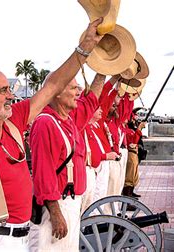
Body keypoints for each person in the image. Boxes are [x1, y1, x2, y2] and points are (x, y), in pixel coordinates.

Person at [0, 18, 104, 252]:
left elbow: (53, 85)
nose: (10, 95)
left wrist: (85, 48)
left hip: (18, 238)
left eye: (9, 89)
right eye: (3, 91)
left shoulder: (13, 122)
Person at [29, 72, 107, 250]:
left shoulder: (69, 119)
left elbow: (91, 100)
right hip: (57, 206)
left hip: (70, 204)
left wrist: (103, 69)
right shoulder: (45, 123)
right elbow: (43, 173)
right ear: (56, 92)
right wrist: (56, 213)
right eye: (73, 88)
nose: (79, 92)